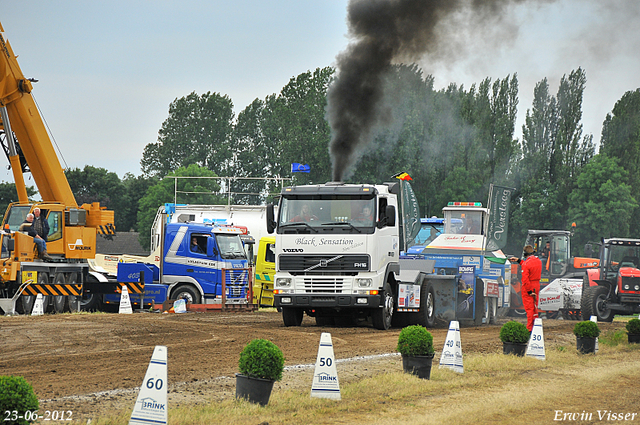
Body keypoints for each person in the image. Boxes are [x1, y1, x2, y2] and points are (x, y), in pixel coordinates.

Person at [509, 245, 541, 332]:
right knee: (534, 307)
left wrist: (529, 291)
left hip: (529, 286)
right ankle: (535, 326)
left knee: (529, 308)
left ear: (525, 254)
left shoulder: (526, 264)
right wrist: (519, 261)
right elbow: (529, 265)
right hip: (536, 285)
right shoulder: (538, 261)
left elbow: (525, 280)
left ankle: (529, 329)